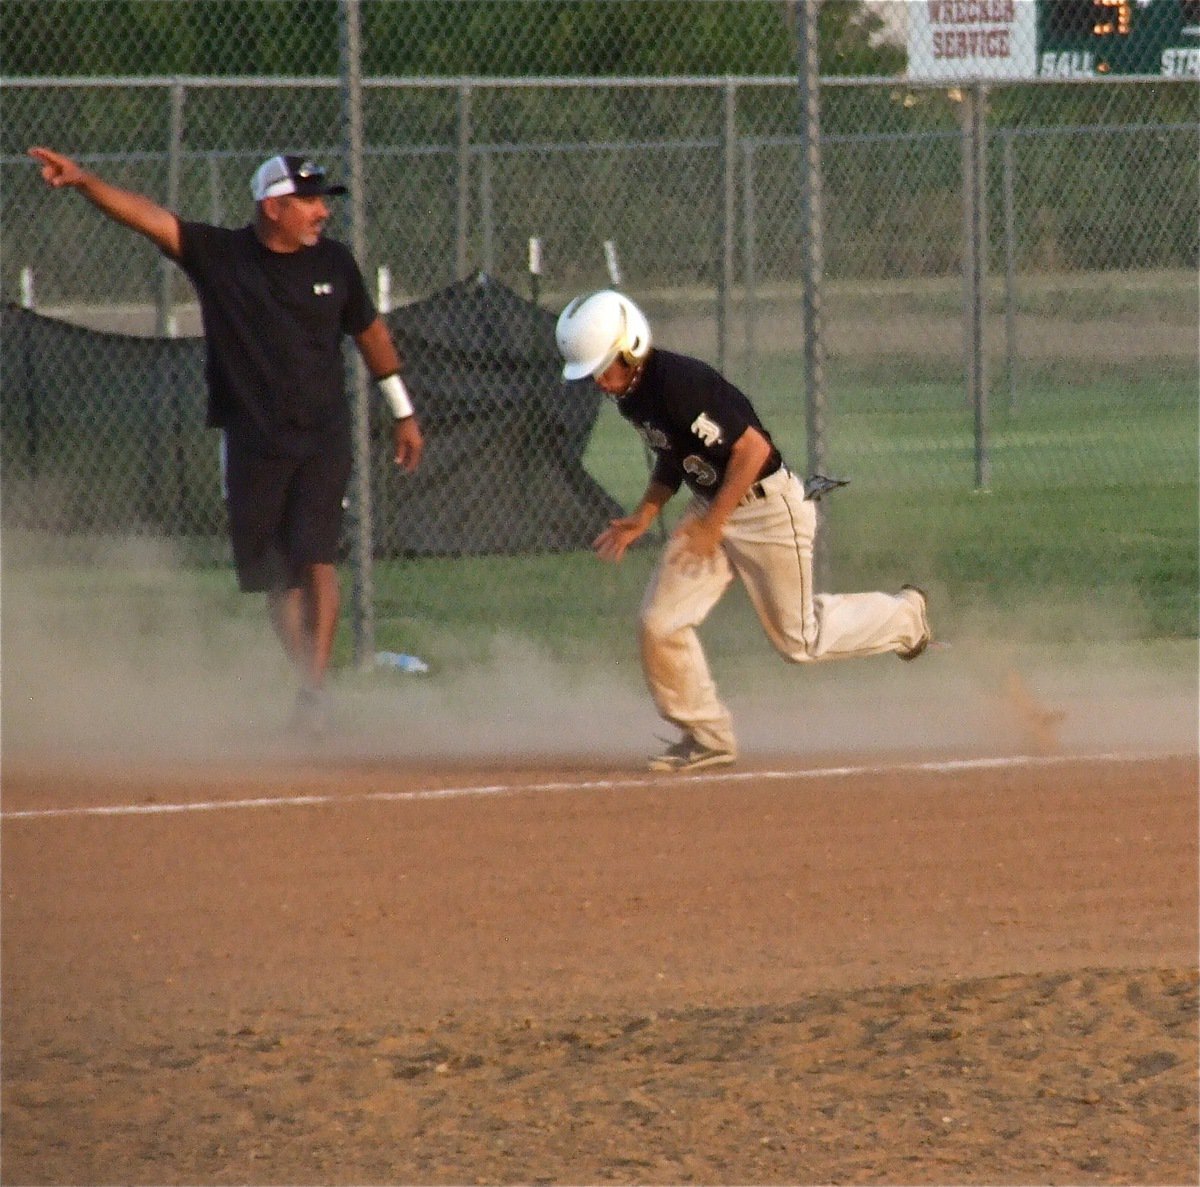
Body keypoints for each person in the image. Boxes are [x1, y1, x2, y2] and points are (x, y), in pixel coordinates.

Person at [29, 146, 425, 736]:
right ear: (272, 207)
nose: (321, 212)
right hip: (251, 442)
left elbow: (370, 333)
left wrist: (402, 411)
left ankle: (314, 694)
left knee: (315, 553)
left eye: (322, 201)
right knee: (273, 575)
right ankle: (309, 687)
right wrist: (86, 181)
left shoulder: (336, 264)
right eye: (308, 201)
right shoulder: (222, 257)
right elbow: (149, 217)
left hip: (322, 436)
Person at [556, 289, 933, 773]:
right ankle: (708, 736)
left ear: (629, 348)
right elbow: (676, 454)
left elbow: (752, 450)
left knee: (801, 642)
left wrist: (714, 525)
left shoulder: (678, 383)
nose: (599, 383)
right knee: (660, 623)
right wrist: (647, 512)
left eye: (603, 368)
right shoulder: (632, 395)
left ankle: (907, 618)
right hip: (712, 507)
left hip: (767, 509)